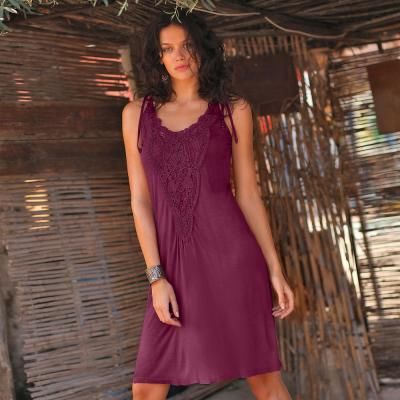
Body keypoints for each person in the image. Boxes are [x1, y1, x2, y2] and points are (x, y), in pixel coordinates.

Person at [122, 9, 294, 400]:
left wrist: (275, 269)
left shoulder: (234, 110)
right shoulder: (136, 115)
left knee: (264, 381)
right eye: (168, 49)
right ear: (157, 57)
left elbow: (248, 194)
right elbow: (140, 200)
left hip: (232, 260)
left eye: (187, 46)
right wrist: (156, 276)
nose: (179, 56)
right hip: (172, 267)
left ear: (203, 49)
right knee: (146, 387)